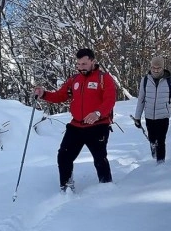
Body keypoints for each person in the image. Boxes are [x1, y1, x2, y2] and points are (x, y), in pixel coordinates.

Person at [33, 48, 116, 193]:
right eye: (78, 64)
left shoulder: (104, 78)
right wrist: (44, 94)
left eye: (84, 64)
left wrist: (97, 113)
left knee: (99, 159)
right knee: (63, 156)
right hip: (76, 126)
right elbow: (60, 96)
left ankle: (106, 188)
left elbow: (110, 100)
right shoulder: (74, 80)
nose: (81, 67)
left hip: (98, 126)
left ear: (92, 61)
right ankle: (66, 186)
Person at [133, 56, 171, 164]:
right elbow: (141, 99)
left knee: (161, 141)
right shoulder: (145, 80)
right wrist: (137, 117)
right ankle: (153, 149)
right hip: (149, 115)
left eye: (158, 68)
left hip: (163, 115)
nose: (155, 70)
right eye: (153, 67)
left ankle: (160, 165)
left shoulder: (170, 80)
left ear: (163, 68)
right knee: (152, 139)